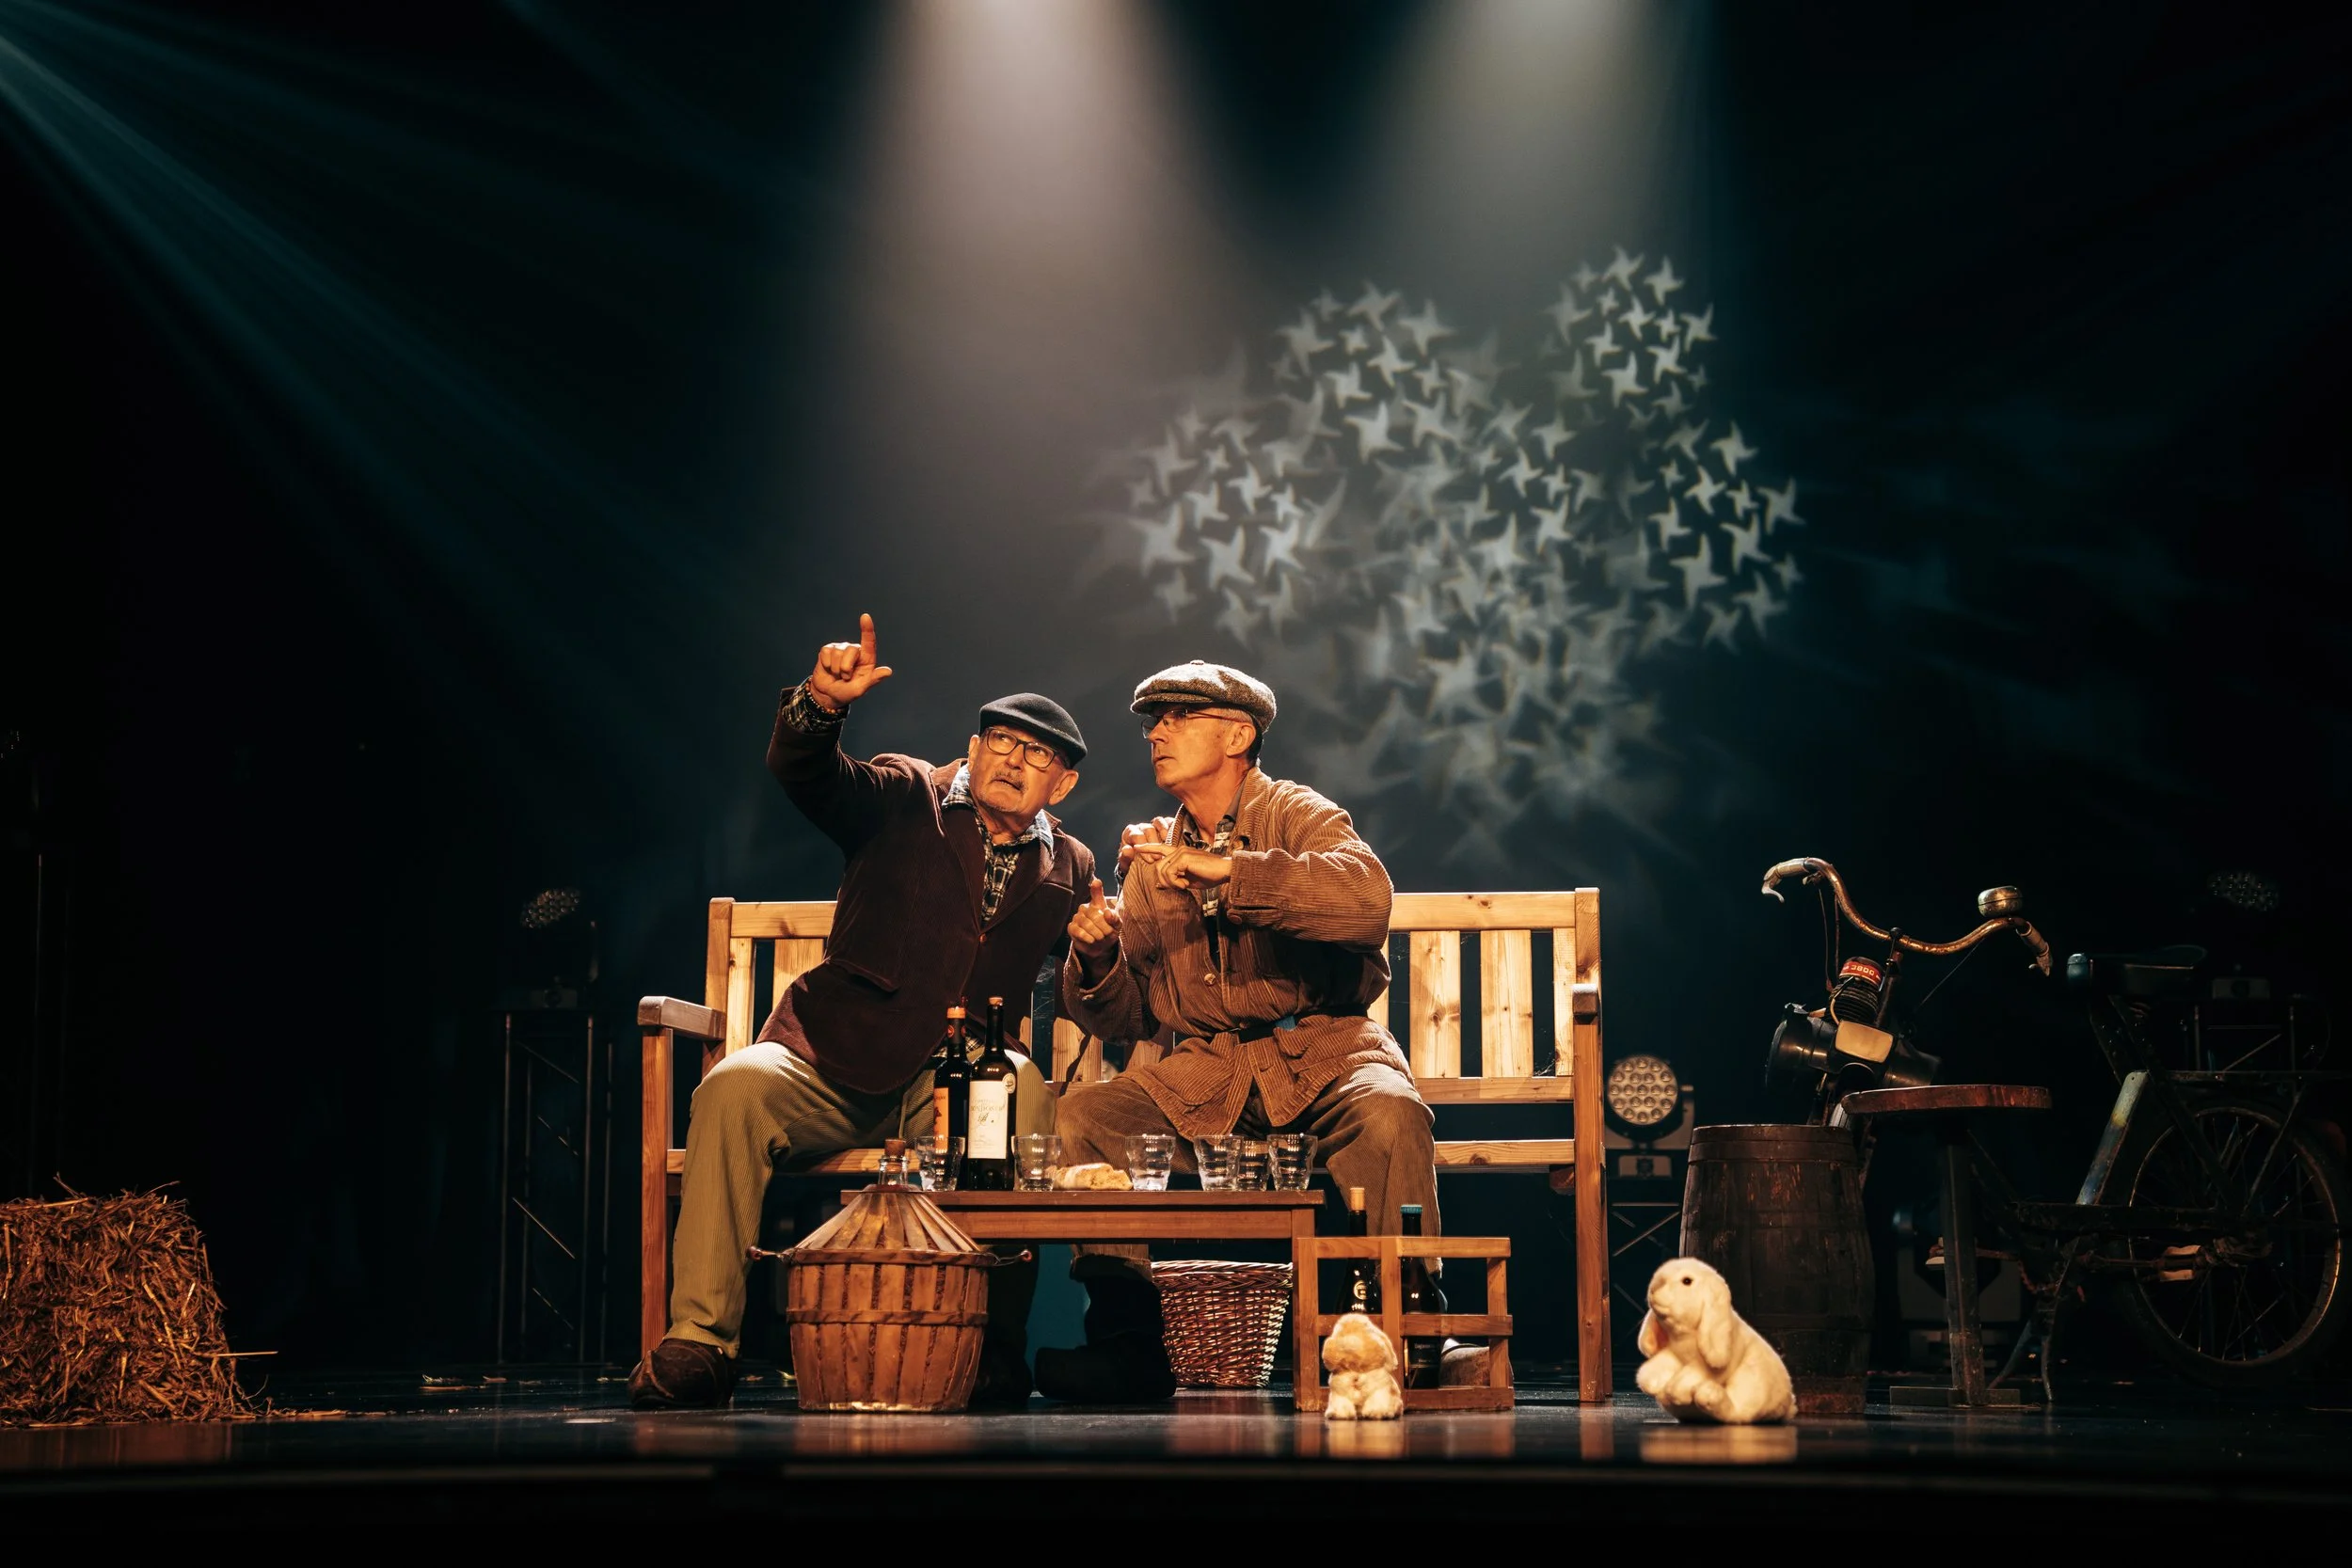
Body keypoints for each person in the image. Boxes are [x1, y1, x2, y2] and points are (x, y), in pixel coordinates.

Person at [628, 613, 1097, 1410]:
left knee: (1021, 1098)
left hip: (953, 1086)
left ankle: (989, 1349)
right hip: (832, 1051)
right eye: (1002, 742)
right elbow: (808, 773)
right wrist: (820, 704)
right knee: (732, 1089)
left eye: (1038, 753)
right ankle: (702, 1341)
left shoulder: (1070, 866)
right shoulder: (901, 793)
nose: (1015, 760)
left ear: (1064, 783)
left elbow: (1095, 993)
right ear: (974, 749)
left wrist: (1102, 946)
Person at [1043, 659, 1437, 1402]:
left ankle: (1408, 1324)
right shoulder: (1152, 857)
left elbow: (1367, 901)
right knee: (1088, 1116)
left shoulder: (1297, 812)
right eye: (1152, 721)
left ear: (1238, 733)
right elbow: (1128, 1014)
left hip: (1323, 1050)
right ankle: (1126, 1336)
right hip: (1209, 1070)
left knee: (1389, 1113)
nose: (1156, 733)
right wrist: (1096, 958)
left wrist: (1232, 872)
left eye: (1178, 718)